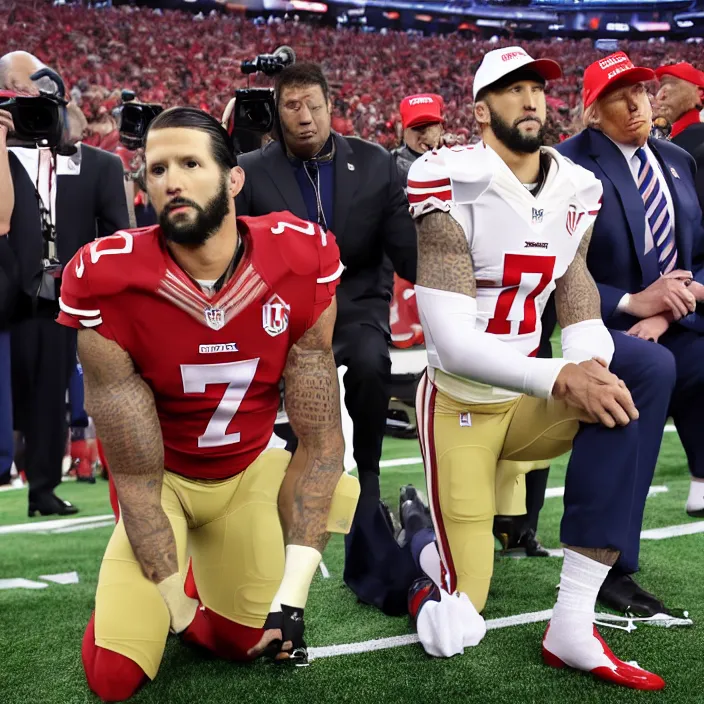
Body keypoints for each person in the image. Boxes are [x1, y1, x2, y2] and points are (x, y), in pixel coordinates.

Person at [56, 106, 359, 702]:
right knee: (114, 680)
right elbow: (137, 479)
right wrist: (179, 609)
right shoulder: (108, 277)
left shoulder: (300, 258)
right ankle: (164, 584)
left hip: (246, 472)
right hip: (163, 481)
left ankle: (213, 570)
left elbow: (321, 443)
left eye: (191, 163)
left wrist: (292, 600)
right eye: (157, 167)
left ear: (233, 179)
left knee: (251, 640)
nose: (172, 179)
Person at [407, 46, 669, 689]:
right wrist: (560, 376)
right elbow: (450, 340)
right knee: (458, 623)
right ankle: (412, 532)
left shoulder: (577, 187)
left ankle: (573, 622)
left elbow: (578, 296)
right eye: (510, 89)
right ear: (479, 108)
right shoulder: (447, 176)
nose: (529, 99)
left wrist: (590, 366)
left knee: (631, 381)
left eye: (536, 88)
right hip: (459, 406)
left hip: (525, 405)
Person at [235, 62, 418, 615]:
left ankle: (368, 470)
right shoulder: (250, 169)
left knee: (368, 357)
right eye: (292, 105)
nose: (305, 116)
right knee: (259, 380)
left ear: (331, 105)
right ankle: (257, 488)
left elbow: (405, 252)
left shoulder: (377, 163)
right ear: (277, 110)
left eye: (313, 104)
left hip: (356, 299)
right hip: (281, 308)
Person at [558, 52, 704, 530]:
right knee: (652, 367)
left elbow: (698, 255)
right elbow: (554, 267)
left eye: (640, 92)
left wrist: (667, 310)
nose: (637, 105)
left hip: (674, 318)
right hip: (601, 324)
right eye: (619, 99)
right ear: (592, 113)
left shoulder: (678, 159)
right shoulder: (564, 164)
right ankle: (609, 547)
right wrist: (632, 301)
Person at [1, 51, 130, 516]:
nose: (32, 97)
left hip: (63, 300)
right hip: (6, 293)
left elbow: (120, 237)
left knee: (51, 394)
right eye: (20, 89)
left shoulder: (98, 166)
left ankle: (43, 487)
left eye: (39, 88)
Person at [654, 62, 704, 208]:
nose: (661, 96)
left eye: (672, 85)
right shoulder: (663, 138)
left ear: (699, 94)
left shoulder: (699, 140)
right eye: (661, 87)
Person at [391, 93, 445, 186]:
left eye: (431, 127)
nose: (426, 135)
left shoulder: (453, 159)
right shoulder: (392, 165)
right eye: (418, 128)